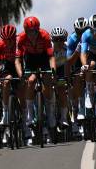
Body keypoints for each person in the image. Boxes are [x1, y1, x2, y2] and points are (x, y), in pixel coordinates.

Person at [15, 16, 56, 144]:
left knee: (47, 79)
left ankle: (49, 112)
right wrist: (21, 73)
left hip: (43, 57)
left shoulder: (45, 36)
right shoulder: (21, 38)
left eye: (35, 31)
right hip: (30, 59)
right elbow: (18, 59)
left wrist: (53, 70)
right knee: (31, 81)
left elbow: (51, 57)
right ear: (25, 31)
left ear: (38, 30)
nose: (32, 34)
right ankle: (30, 114)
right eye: (29, 32)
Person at [66, 17, 88, 133]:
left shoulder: (90, 36)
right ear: (76, 31)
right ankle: (77, 107)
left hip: (90, 60)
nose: (82, 34)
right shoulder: (72, 39)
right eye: (80, 32)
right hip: (76, 62)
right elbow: (69, 62)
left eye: (85, 31)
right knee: (77, 79)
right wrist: (77, 51)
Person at [50, 27, 70, 128]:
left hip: (62, 69)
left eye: (61, 39)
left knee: (62, 90)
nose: (58, 42)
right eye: (56, 39)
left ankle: (63, 118)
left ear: (65, 40)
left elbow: (69, 64)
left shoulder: (67, 48)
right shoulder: (49, 50)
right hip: (51, 70)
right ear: (52, 40)